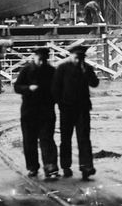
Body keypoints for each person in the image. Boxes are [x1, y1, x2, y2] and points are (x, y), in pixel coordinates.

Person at [51, 43, 99, 180]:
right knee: (65, 139)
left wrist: (87, 71)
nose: (78, 59)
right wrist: (60, 103)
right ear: (70, 55)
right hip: (66, 109)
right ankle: (66, 166)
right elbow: (55, 88)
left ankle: (86, 166)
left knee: (84, 138)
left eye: (81, 57)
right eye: (76, 56)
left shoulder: (87, 68)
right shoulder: (62, 68)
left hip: (83, 109)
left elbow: (94, 83)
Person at [14, 47, 59, 180]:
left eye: (43, 60)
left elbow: (57, 89)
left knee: (47, 139)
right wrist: (28, 88)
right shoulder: (27, 70)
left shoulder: (51, 71)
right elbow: (17, 87)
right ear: (35, 57)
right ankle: (33, 167)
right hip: (30, 110)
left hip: (45, 110)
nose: (41, 62)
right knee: (30, 140)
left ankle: (50, 166)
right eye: (39, 59)